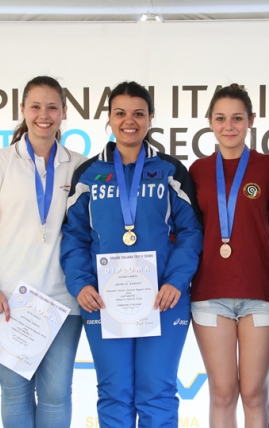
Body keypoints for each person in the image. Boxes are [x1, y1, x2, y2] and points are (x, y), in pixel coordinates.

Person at [60, 81, 203, 428]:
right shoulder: (90, 174)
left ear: (150, 118)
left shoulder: (170, 171)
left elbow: (191, 233)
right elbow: (74, 236)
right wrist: (80, 284)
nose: (130, 120)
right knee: (115, 393)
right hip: (105, 299)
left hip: (163, 299)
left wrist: (176, 281)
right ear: (108, 118)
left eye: (139, 113)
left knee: (157, 391)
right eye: (120, 113)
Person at [0, 76, 86, 428]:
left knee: (56, 396)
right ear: (23, 110)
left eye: (52, 107)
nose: (43, 115)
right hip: (6, 299)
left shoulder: (80, 165)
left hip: (63, 301)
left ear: (64, 112)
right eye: (35, 106)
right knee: (15, 394)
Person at [188, 85, 269, 428]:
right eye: (220, 118)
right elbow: (187, 232)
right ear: (210, 123)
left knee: (255, 393)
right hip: (209, 296)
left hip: (260, 294)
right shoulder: (197, 171)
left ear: (251, 121)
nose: (229, 126)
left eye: (237, 118)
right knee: (222, 393)